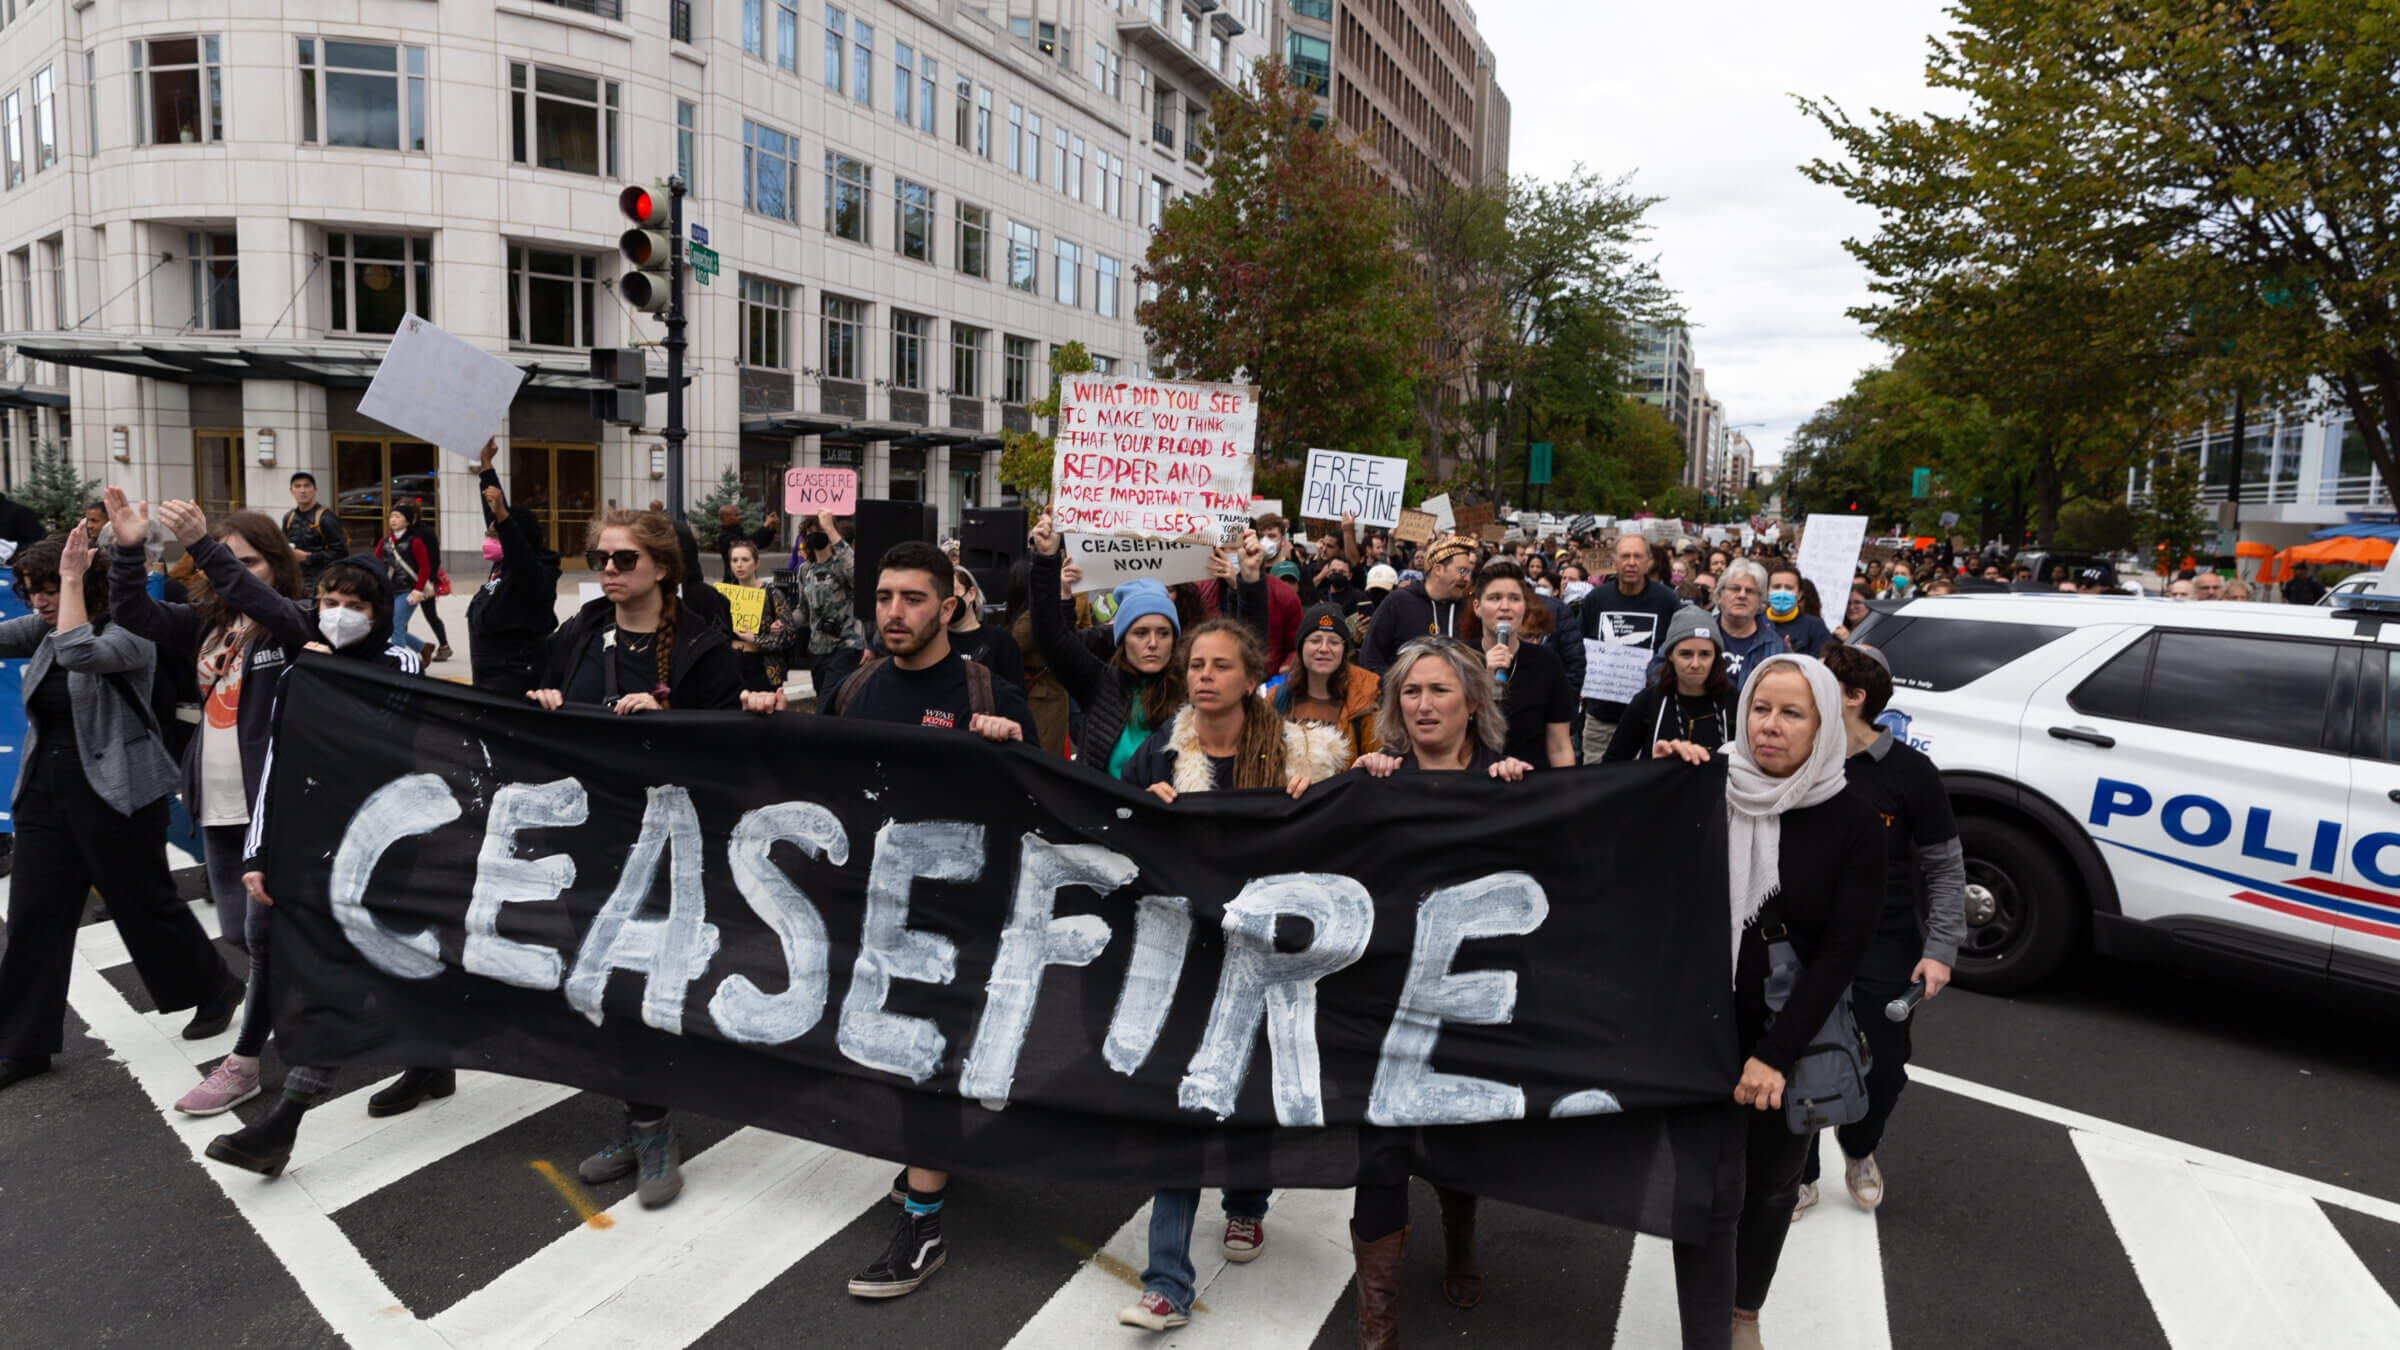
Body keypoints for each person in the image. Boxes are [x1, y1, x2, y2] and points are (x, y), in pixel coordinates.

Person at [810, 541, 1034, 1300]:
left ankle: (926, 1220)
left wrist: (1012, 749)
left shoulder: (991, 691)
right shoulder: (855, 687)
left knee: (928, 1056)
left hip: (960, 917)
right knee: (904, 1057)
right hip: (876, 910)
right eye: (883, 597)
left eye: (911, 598)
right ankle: (931, 1161)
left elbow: (1044, 803)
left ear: (948, 607)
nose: (894, 612)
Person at [1113, 614, 1339, 1332]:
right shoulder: (1161, 752)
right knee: (1185, 1099)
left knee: (1254, 1088)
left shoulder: (1305, 751)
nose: (1203, 676)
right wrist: (1146, 809)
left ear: (1251, 679)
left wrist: (1320, 803)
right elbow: (1118, 826)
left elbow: (1348, 844)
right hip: (1191, 949)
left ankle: (1247, 1202)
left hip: (1272, 952)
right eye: (1196, 665)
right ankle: (1166, 1283)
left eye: (1219, 666)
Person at [1651, 654, 1882, 1350]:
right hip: (1697, 1030)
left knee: (1770, 1189)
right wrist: (1658, 777)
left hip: (1790, 1045)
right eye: (1759, 708)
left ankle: (1744, 1309)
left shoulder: (1855, 823)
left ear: (1823, 726)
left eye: (1792, 713)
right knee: (1699, 1188)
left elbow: (1842, 954)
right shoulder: (1704, 788)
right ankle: (1705, 1320)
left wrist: (1774, 1058)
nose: (1770, 727)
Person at [533, 510, 746, 1210]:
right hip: (589, 839)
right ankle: (642, 1117)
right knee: (600, 984)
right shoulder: (581, 633)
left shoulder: (702, 649)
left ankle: (651, 1126)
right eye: (601, 558)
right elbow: (535, 697)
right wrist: (545, 702)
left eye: (624, 560)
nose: (609, 571)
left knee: (645, 985)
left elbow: (729, 749)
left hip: (664, 848)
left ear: (661, 568)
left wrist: (667, 726)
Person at [195, 552, 435, 1166]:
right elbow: (278, 762)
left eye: (355, 606)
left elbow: (387, 743)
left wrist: (333, 681)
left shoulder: (399, 660)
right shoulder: (300, 669)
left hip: (379, 850)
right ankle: (432, 1060)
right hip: (308, 846)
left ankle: (284, 1124)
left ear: (380, 613)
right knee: (375, 965)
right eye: (330, 602)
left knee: (340, 973)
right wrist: (258, 851)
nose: (340, 615)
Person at [0, 530, 241, 1092]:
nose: (39, 602)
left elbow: (79, 650)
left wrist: (70, 583)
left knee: (144, 904)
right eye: (31, 590)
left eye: (50, 588)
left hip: (117, 790)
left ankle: (214, 987)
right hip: (46, 788)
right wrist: (56, 593)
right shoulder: (44, 625)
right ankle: (21, 1045)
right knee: (34, 914)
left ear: (86, 583)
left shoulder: (134, 631)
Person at [1346, 638, 1534, 1345]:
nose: (1424, 705)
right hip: (1385, 999)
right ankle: (1377, 1321)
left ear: (1474, 702)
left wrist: (1527, 795)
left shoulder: (1512, 781)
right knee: (1381, 1147)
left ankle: (1460, 1234)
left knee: (1458, 1140)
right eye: (1411, 692)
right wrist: (1356, 785)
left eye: (1440, 691)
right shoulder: (1377, 780)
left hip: (1471, 1000)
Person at [1793, 644, 1965, 1220]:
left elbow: (1945, 870)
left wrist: (1940, 949)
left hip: (1886, 943)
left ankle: (1860, 1147)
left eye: (1821, 683)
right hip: (1802, 940)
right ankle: (1800, 1171)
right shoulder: (1799, 756)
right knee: (1793, 1056)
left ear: (1854, 697)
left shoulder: (1912, 775)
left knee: (1884, 1066)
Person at [1027, 513, 1185, 779]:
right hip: (1104, 812)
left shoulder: (1190, 688)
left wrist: (1247, 585)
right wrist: (1045, 560)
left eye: (1164, 633)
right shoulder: (1098, 683)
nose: (1153, 643)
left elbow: (1247, 660)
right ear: (1122, 639)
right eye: (1140, 633)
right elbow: (1051, 636)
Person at [467, 439, 562, 697]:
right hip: (488, 682)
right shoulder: (503, 565)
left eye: (496, 535)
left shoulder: (534, 574)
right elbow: (494, 512)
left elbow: (517, 548)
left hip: (516, 683)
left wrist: (504, 519)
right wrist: (486, 466)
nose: (489, 541)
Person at [1578, 533, 1683, 763]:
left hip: (1649, 719)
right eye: (1625, 556)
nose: (1631, 562)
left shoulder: (1667, 601)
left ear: (1649, 562)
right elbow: (1579, 648)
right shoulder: (1596, 599)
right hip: (1601, 719)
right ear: (1613, 561)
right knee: (1596, 789)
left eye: (1638, 556)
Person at [1603, 607, 1740, 763]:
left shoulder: (1734, 703)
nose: (1695, 664)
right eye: (1686, 654)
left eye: (1705, 654)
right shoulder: (1648, 701)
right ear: (1670, 655)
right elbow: (1613, 764)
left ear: (1716, 656)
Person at [1473, 559, 1575, 768]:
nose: (1505, 607)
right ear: (1477, 606)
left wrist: (1568, 795)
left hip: (1530, 788)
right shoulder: (1458, 658)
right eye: (1494, 598)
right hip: (1473, 785)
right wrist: (1482, 675)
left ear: (1524, 607)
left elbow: (1560, 746)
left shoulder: (1546, 663)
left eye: (1514, 599)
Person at [1267, 601, 1382, 767]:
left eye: (1334, 642)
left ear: (1344, 651)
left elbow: (1377, 766)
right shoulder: (1275, 700)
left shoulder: (1364, 704)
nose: (1324, 649)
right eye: (1315, 640)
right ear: (1301, 648)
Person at [1360, 536, 1479, 674]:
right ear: (1438, 569)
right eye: (1462, 571)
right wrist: (1401, 690)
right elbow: (1370, 659)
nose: (1467, 579)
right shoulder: (1398, 603)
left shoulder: (1468, 610)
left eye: (1469, 572)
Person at [787, 507, 866, 683]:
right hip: (817, 649)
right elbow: (804, 610)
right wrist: (785, 621)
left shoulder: (842, 563)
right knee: (823, 698)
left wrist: (830, 528)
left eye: (820, 531)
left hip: (846, 645)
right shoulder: (805, 570)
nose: (816, 535)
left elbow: (857, 575)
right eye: (811, 532)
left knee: (830, 701)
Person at [724, 538, 800, 692]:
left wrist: (756, 639)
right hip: (732, 666)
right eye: (734, 560)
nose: (739, 565)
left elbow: (789, 636)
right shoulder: (724, 594)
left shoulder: (772, 593)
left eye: (745, 559)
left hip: (763, 667)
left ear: (756, 563)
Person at [1706, 561, 1789, 683]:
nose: (1742, 595)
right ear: (1719, 595)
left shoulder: (1776, 648)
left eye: (1750, 591)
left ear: (1760, 600)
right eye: (1735, 589)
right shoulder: (1699, 632)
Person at [944, 564, 1025, 690]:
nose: (948, 600)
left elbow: (1016, 695)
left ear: (971, 594)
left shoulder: (1001, 641)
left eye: (953, 591)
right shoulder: (933, 640)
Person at [377, 504, 438, 659]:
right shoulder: (384, 542)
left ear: (408, 521)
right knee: (390, 626)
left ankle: (398, 662)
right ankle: (422, 647)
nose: (393, 520)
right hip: (389, 590)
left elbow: (425, 567)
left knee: (397, 624)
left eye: (398, 516)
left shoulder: (415, 542)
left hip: (408, 591)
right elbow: (376, 562)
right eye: (392, 516)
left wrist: (418, 590)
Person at [281, 471, 346, 588]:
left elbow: (341, 553)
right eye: (297, 486)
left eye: (307, 486)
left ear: (315, 490)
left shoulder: (326, 518)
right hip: (295, 582)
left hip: (322, 582)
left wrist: (308, 557)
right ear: (291, 491)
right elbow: (283, 547)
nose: (302, 490)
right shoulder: (289, 518)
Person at [1764, 563, 1833, 658]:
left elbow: (1824, 666)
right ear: (1767, 592)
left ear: (1799, 594)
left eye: (1789, 588)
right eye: (1776, 587)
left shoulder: (1814, 626)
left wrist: (1792, 658)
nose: (1782, 592)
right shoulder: (1755, 622)